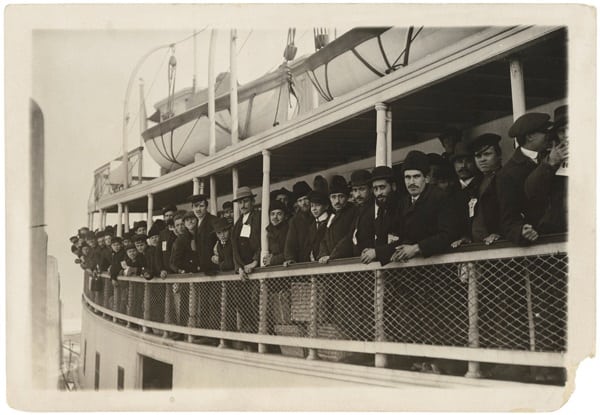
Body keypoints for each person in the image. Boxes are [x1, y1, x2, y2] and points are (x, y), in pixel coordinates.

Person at [391, 150, 458, 262]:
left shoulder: (440, 197)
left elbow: (448, 234)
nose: (411, 182)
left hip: (438, 266)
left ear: (426, 178)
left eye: (416, 176)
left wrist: (417, 248)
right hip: (412, 267)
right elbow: (402, 235)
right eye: (407, 177)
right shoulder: (404, 202)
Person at [496, 112, 553, 244]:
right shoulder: (507, 174)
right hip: (537, 244)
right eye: (545, 132)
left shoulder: (552, 156)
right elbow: (508, 218)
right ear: (530, 137)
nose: (550, 136)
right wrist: (521, 231)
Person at [452, 133, 504, 247]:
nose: (482, 160)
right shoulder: (477, 183)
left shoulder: (505, 177)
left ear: (499, 155)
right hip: (479, 247)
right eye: (478, 156)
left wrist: (499, 233)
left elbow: (512, 214)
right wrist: (467, 237)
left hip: (500, 245)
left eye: (487, 154)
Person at [524, 105, 569, 235]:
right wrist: (551, 162)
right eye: (562, 131)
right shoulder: (549, 160)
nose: (567, 135)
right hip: (558, 232)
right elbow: (531, 191)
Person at [360, 166, 401, 265]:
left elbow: (406, 240)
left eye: (382, 187)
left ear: (393, 186)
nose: (379, 193)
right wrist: (372, 250)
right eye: (375, 189)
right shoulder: (382, 211)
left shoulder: (402, 208)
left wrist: (377, 252)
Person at [318, 175, 356, 263]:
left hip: (346, 261)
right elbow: (324, 238)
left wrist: (333, 255)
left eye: (341, 196)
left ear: (347, 197)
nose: (337, 201)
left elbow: (349, 236)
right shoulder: (332, 215)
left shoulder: (353, 212)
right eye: (333, 197)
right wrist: (323, 254)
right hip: (331, 260)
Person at [231, 186, 261, 279]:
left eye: (246, 201)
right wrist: (239, 267)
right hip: (243, 271)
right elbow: (234, 248)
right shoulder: (237, 224)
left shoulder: (258, 218)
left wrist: (255, 261)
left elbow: (261, 241)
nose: (243, 205)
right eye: (240, 202)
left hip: (256, 268)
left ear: (253, 202)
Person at [283, 181, 313, 266]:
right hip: (302, 262)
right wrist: (290, 258)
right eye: (300, 200)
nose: (303, 203)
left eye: (306, 199)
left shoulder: (318, 215)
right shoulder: (294, 221)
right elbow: (290, 242)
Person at [348, 169, 376, 257]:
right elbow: (350, 236)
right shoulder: (357, 210)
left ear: (371, 189)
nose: (358, 195)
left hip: (374, 260)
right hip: (360, 260)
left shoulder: (376, 208)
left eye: (362, 189)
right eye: (355, 190)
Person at [189, 194, 218, 275]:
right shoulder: (197, 223)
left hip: (214, 270)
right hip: (202, 270)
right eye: (196, 206)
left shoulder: (213, 221)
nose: (198, 209)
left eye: (201, 206)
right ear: (192, 208)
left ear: (206, 207)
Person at [263, 200, 290, 267]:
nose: (275, 217)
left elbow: (290, 253)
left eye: (279, 214)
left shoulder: (289, 230)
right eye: (272, 214)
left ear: (285, 216)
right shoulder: (268, 231)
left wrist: (273, 260)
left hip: (286, 268)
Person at [307, 190, 331, 262]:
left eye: (317, 205)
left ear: (326, 206)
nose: (314, 209)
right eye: (312, 206)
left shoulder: (331, 220)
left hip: (329, 260)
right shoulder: (312, 225)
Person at [158, 205, 178, 275]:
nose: (169, 218)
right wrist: (161, 269)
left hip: (179, 269)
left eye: (171, 215)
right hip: (167, 271)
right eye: (166, 216)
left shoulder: (180, 230)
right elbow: (159, 253)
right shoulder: (162, 233)